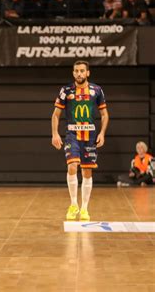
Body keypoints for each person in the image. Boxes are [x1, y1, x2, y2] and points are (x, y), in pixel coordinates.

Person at [51, 60, 109, 221]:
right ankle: (73, 204)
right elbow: (56, 114)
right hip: (72, 135)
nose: (79, 74)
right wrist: (55, 134)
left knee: (87, 171)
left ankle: (84, 208)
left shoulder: (97, 90)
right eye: (76, 71)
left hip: (90, 136)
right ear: (73, 73)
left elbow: (104, 114)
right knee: (72, 166)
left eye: (82, 71)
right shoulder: (66, 90)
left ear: (87, 73)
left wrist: (102, 133)